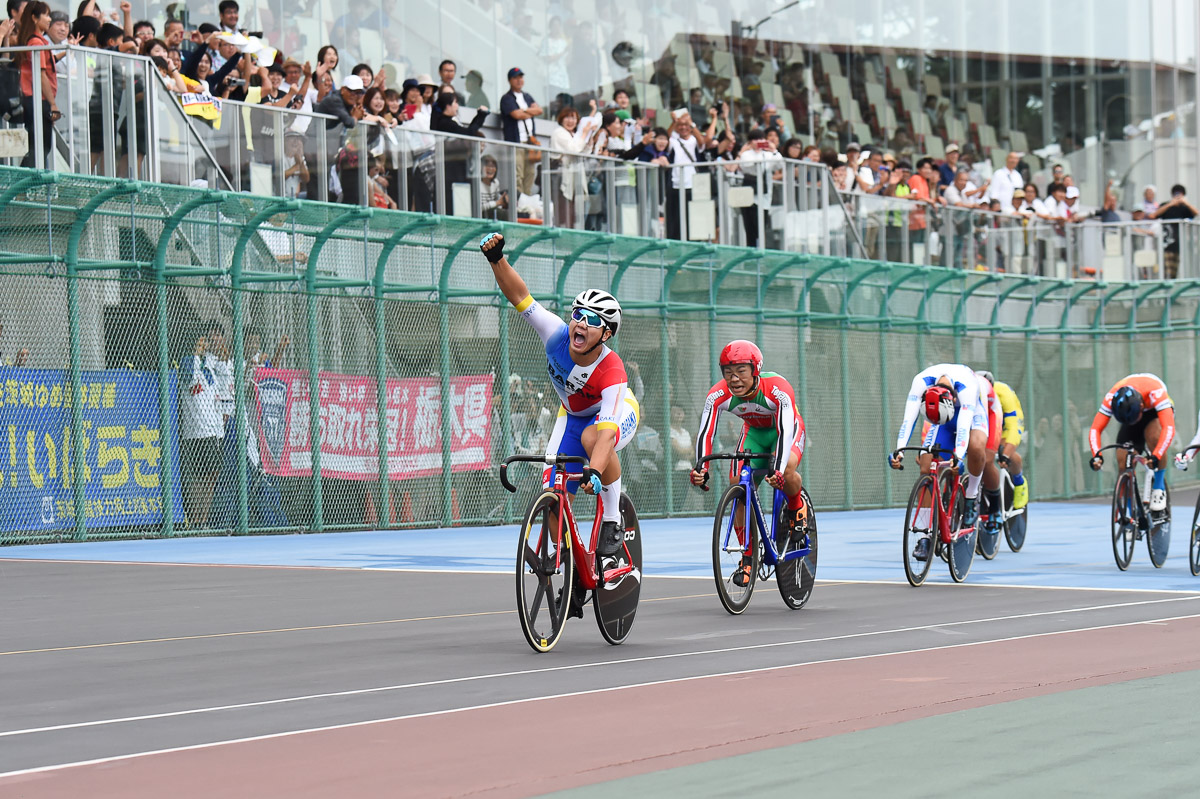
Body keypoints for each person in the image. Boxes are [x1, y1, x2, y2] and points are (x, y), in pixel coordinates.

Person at [479, 232, 638, 583]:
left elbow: (608, 434)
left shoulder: (612, 371)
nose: (581, 322)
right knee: (553, 492)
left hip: (614, 416)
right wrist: (497, 259)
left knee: (594, 439)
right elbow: (520, 296)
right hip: (572, 416)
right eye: (578, 313)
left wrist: (594, 472)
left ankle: (612, 520)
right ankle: (569, 559)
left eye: (593, 320)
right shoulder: (556, 334)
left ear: (606, 334)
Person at [689, 340, 808, 586]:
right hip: (753, 433)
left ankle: (797, 507)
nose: (734, 379)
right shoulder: (717, 394)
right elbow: (706, 433)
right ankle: (748, 557)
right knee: (738, 486)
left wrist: (777, 470)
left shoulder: (778, 388)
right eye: (728, 372)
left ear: (755, 370)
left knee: (786, 469)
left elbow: (785, 429)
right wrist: (702, 468)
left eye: (741, 371)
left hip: (783, 431)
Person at [890, 363, 990, 559]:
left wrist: (959, 456)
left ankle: (971, 496)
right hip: (940, 419)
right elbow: (908, 421)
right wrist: (899, 450)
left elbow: (963, 428)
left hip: (971, 414)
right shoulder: (920, 381)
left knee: (977, 447)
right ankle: (924, 535)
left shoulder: (967, 386)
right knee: (926, 468)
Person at [1088, 374, 1175, 515]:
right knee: (1122, 460)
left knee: (1154, 437)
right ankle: (1132, 513)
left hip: (1154, 412)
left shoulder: (1156, 392)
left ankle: (1159, 488)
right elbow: (1095, 429)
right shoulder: (1110, 398)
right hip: (1129, 413)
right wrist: (1097, 455)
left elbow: (1169, 428)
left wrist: (1157, 454)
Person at [978, 371, 1028, 509]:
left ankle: (1019, 483)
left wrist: (1005, 454)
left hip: (1006, 423)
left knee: (1008, 453)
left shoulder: (1004, 394)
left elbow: (1013, 428)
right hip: (985, 423)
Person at [16, 1, 56, 168]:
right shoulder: (36, 43)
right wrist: (53, 104)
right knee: (39, 147)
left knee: (39, 146)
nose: (49, 19)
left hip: (35, 99)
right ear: (34, 18)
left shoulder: (36, 42)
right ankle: (19, 187)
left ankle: (21, 188)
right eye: (46, 15)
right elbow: (41, 75)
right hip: (37, 99)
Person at [499, 67, 542, 198]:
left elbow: (539, 110)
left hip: (529, 141)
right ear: (509, 80)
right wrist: (528, 111)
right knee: (518, 173)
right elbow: (516, 115)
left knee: (530, 173)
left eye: (520, 77)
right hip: (516, 141)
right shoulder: (507, 98)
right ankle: (519, 202)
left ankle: (527, 200)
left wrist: (524, 111)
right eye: (515, 78)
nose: (519, 80)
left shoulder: (527, 96)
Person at [1150, 184, 1198, 280]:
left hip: (1181, 245)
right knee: (1166, 272)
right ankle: (1166, 292)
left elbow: (1196, 213)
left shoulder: (1184, 208)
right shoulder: (1165, 206)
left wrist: (1186, 203)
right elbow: (1153, 215)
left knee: (1177, 272)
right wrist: (1170, 204)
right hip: (1166, 244)